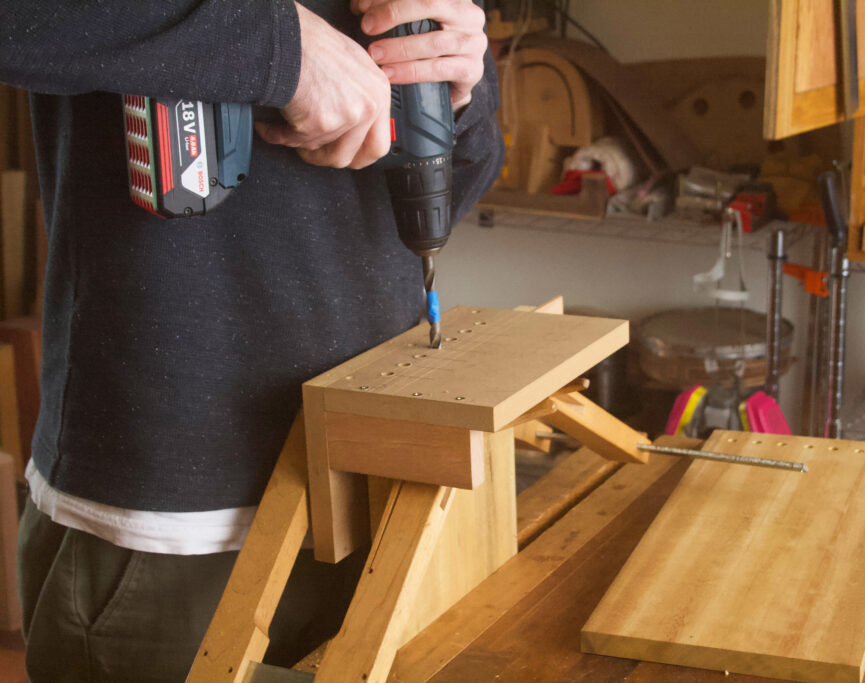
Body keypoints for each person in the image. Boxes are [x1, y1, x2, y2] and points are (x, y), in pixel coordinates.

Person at [0, 0, 503, 679]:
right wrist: (280, 46)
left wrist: (457, 81)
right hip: (177, 530)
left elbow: (458, 176)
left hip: (376, 491)